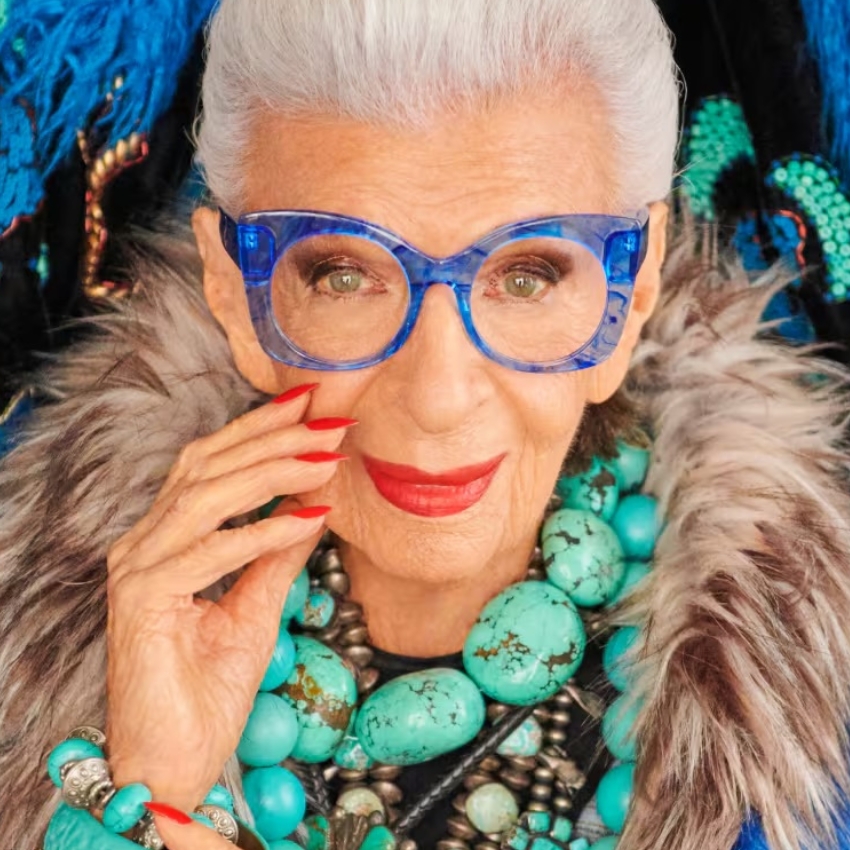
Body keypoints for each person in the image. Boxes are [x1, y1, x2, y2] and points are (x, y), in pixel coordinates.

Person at [2, 1, 850, 849]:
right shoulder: (35, 640)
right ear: (233, 290)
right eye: (343, 276)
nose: (438, 396)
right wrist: (153, 799)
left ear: (632, 293)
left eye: (526, 276)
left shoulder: (821, 741)